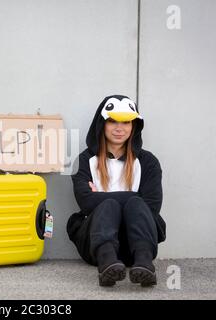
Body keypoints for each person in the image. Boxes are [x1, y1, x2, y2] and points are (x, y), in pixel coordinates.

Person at [66, 94, 166, 287]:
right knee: (111, 205)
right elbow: (86, 202)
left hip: (134, 246)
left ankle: (145, 264)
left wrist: (100, 196)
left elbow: (151, 207)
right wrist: (134, 197)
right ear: (101, 124)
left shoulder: (148, 162)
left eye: (126, 122)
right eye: (112, 121)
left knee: (134, 205)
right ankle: (107, 265)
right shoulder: (85, 160)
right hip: (96, 246)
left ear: (134, 126)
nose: (119, 128)